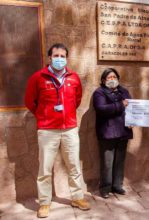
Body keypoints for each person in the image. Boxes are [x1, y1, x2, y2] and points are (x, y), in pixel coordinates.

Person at [25, 43, 90, 218]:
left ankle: (77, 197)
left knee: (74, 165)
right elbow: (30, 102)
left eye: (62, 56)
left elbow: (76, 100)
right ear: (49, 58)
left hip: (69, 129)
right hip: (47, 130)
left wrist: (66, 114)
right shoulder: (38, 78)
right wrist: (44, 115)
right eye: (56, 56)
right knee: (45, 169)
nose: (59, 59)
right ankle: (44, 203)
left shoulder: (74, 78)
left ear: (66, 58)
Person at [93, 68, 133, 199]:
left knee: (120, 161)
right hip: (107, 132)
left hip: (123, 131)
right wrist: (120, 105)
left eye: (114, 77)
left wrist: (133, 119)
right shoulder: (99, 93)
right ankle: (105, 188)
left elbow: (132, 108)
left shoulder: (124, 91)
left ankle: (117, 186)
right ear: (103, 80)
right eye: (109, 77)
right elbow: (101, 109)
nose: (112, 79)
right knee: (107, 162)